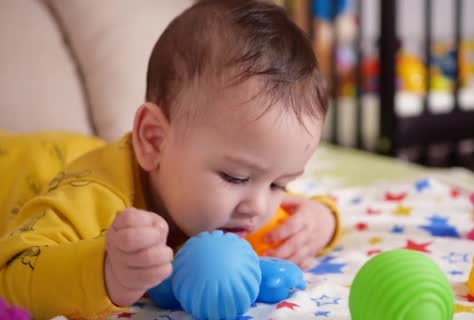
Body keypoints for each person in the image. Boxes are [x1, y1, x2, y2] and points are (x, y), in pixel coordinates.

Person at [0, 0, 339, 318]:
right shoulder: (94, 199)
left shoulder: (244, 198)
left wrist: (321, 220)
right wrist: (104, 272)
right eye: (235, 177)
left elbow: (284, 205)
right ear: (154, 141)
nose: (260, 207)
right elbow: (11, 275)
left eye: (281, 183)